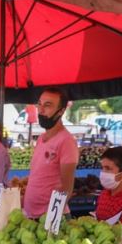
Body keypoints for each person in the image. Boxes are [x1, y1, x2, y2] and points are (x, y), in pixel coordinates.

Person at [23, 87, 79, 218]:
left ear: (61, 111)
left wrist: (51, 220)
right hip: (32, 217)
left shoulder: (66, 141)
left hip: (50, 218)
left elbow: (67, 190)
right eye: (40, 104)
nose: (41, 110)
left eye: (47, 105)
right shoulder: (41, 138)